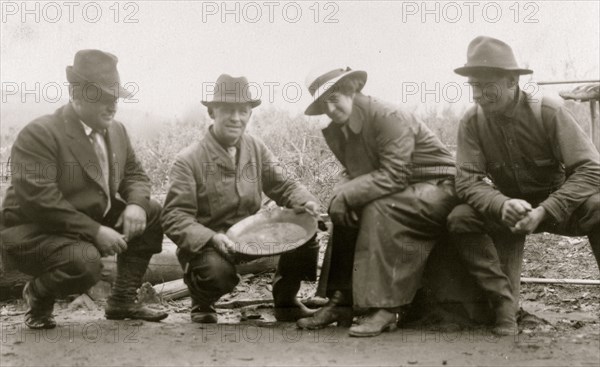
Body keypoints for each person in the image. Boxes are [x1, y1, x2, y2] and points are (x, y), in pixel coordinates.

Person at [0, 50, 168, 329]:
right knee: (85, 263)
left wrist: (137, 204)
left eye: (115, 98)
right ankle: (38, 296)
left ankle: (123, 299)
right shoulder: (40, 134)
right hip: (34, 232)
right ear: (76, 95)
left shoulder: (117, 131)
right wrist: (94, 231)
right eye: (102, 97)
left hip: (81, 223)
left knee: (151, 211)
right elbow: (39, 201)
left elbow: (135, 174)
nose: (112, 106)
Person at [296, 67, 465, 337]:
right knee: (344, 210)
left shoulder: (386, 115)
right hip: (401, 186)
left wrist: (347, 194)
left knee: (378, 208)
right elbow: (354, 172)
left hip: (438, 185)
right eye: (322, 102)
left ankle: (387, 309)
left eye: (334, 96)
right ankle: (341, 301)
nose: (329, 108)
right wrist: (340, 196)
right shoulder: (341, 127)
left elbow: (394, 174)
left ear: (352, 88)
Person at [448, 36, 600, 316]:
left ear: (511, 82)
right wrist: (501, 204)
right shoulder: (472, 121)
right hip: (509, 211)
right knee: (460, 217)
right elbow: (467, 180)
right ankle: (503, 306)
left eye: (486, 87)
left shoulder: (548, 111)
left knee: (598, 207)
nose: (477, 95)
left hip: (558, 207)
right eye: (473, 87)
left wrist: (545, 210)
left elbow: (591, 169)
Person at [161, 74, 320, 323]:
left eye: (243, 110)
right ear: (212, 112)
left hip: (251, 237)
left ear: (250, 114)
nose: (236, 118)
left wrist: (305, 201)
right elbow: (174, 217)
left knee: (306, 231)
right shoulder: (188, 159)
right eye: (228, 110)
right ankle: (201, 302)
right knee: (216, 274)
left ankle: (286, 301)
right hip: (210, 245)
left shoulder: (255, 147)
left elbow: (283, 183)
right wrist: (211, 237)